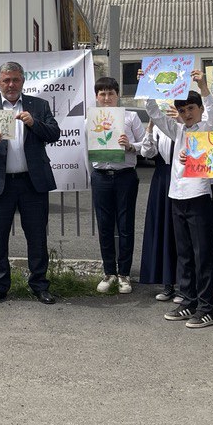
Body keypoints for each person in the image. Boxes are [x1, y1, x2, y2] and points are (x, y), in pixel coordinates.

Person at [0, 61, 61, 306]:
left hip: (32, 183)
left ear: (22, 82)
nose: (11, 84)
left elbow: (54, 134)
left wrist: (33, 123)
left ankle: (39, 285)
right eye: (6, 80)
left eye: (15, 79)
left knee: (37, 237)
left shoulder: (38, 106)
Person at [144, 74, 213, 328]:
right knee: (185, 254)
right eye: (182, 109)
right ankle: (188, 301)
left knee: (203, 255)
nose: (187, 113)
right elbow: (154, 113)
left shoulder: (208, 128)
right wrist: (148, 85)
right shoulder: (177, 130)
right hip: (177, 197)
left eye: (191, 108)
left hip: (200, 196)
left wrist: (203, 88)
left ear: (199, 109)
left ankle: (207, 306)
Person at [89, 77, 144, 294]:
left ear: (117, 95)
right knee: (104, 225)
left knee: (125, 225)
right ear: (96, 97)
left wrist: (130, 146)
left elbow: (147, 147)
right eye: (102, 94)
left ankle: (125, 274)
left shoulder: (131, 117)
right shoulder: (90, 120)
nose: (106, 98)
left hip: (125, 176)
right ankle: (109, 272)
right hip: (101, 176)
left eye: (110, 93)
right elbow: (84, 150)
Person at [136, 118, 178, 300]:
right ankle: (167, 282)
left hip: (181, 177)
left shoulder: (184, 125)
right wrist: (150, 129)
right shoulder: (159, 126)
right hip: (161, 179)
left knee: (181, 232)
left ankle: (186, 285)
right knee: (163, 228)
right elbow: (148, 152)